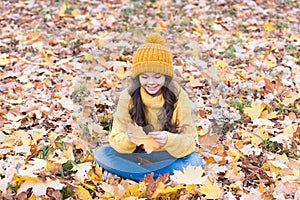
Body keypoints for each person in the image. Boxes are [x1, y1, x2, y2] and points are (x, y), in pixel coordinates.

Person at [94, 33, 203, 182]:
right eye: (144, 77)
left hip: (167, 155)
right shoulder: (128, 96)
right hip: (136, 154)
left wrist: (169, 139)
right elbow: (115, 138)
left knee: (195, 162)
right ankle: (161, 177)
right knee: (103, 153)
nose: (151, 82)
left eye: (157, 76)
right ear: (137, 77)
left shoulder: (178, 96)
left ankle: (128, 174)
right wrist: (129, 139)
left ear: (166, 76)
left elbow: (189, 139)